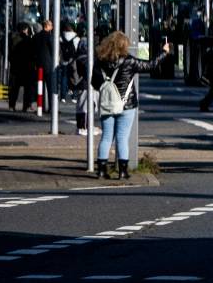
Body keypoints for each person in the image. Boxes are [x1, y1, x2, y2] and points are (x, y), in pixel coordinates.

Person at [91, 30, 169, 179]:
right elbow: (150, 65)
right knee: (122, 137)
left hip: (107, 104)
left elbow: (94, 82)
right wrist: (164, 53)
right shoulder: (129, 61)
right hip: (127, 105)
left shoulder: (100, 61)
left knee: (106, 137)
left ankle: (101, 170)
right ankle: (123, 171)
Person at [8, 22, 34, 111]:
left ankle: (12, 105)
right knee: (27, 88)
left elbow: (10, 54)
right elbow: (32, 54)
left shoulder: (13, 39)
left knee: (14, 88)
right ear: (25, 30)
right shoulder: (29, 40)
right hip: (27, 67)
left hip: (16, 67)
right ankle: (26, 106)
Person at [31, 19, 56, 105]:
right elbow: (53, 50)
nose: (52, 27)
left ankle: (40, 105)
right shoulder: (49, 36)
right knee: (50, 87)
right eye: (51, 25)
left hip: (38, 63)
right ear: (47, 26)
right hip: (48, 64)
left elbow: (33, 50)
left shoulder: (36, 36)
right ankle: (51, 107)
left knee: (39, 85)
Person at [58, 22, 79, 102]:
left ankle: (63, 97)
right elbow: (77, 49)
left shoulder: (60, 37)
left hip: (63, 60)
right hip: (73, 61)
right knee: (74, 77)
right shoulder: (76, 38)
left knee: (64, 77)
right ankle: (74, 96)